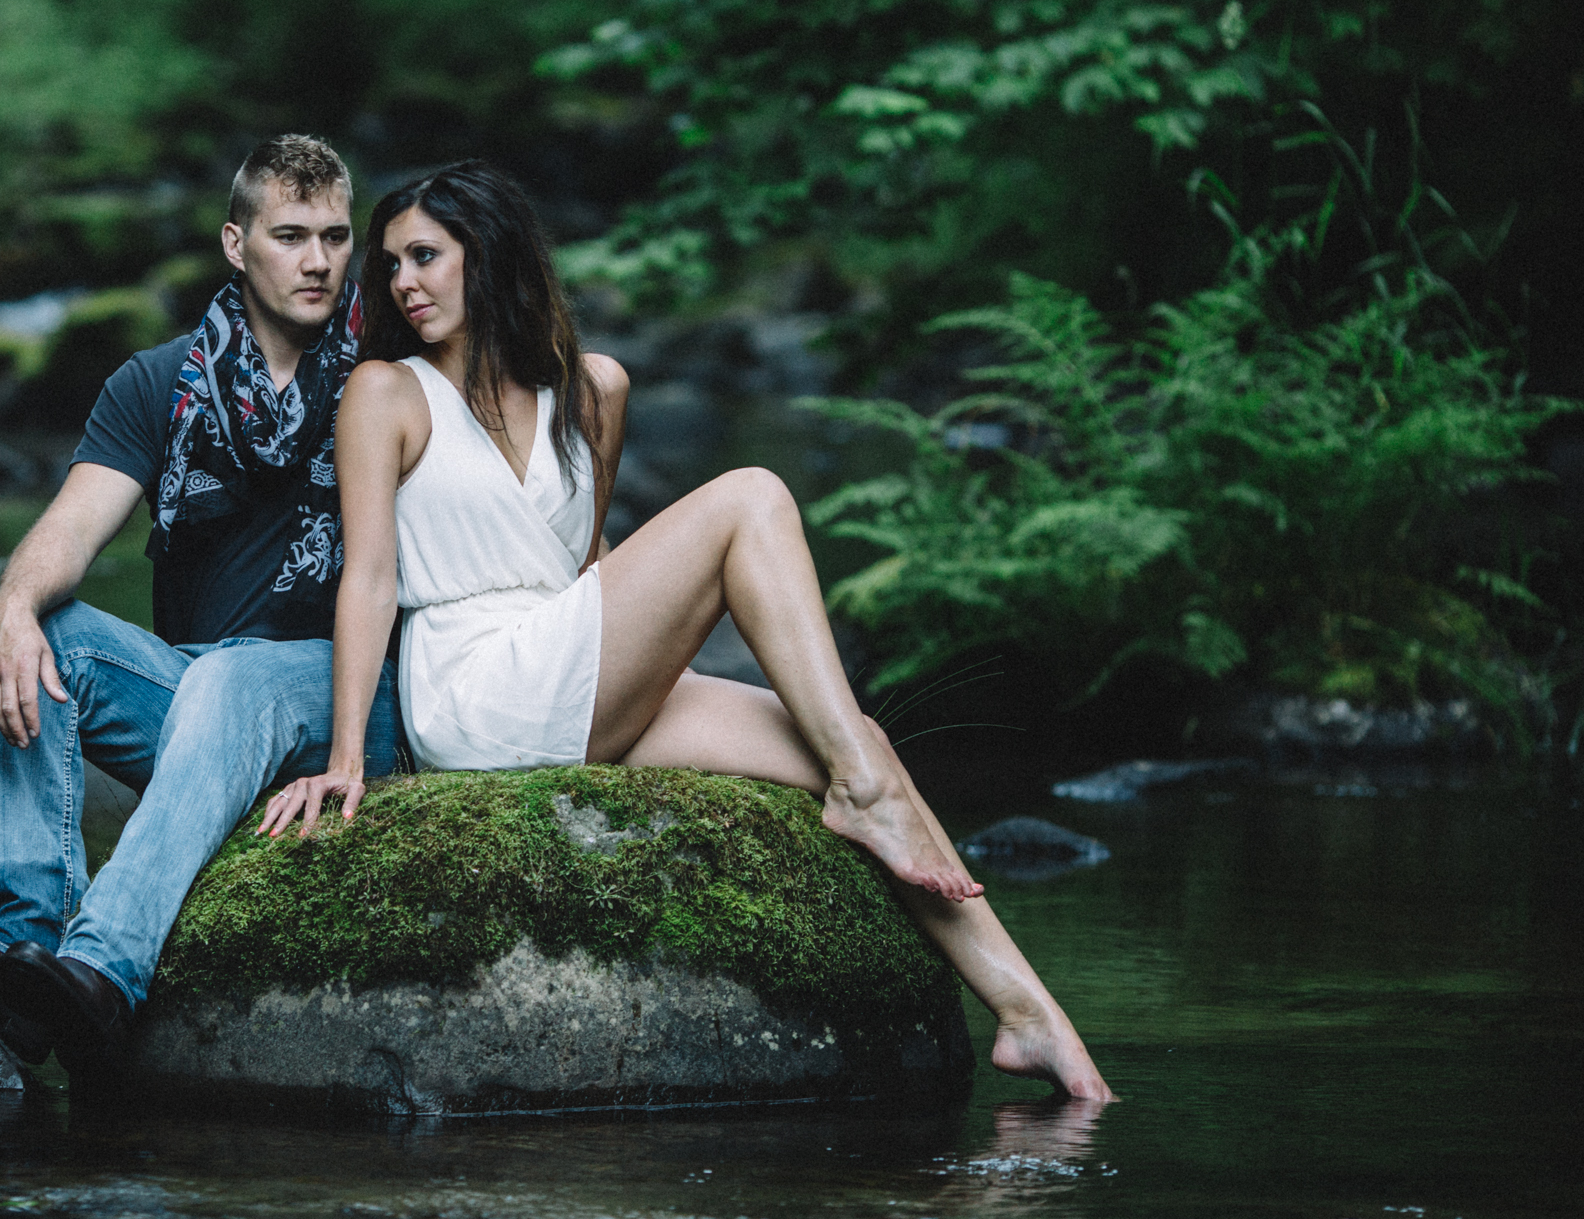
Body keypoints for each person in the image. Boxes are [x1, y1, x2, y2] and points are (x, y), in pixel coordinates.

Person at [260, 160, 1114, 1101]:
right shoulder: (386, 391)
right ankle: (869, 797)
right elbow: (370, 578)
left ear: (490, 255)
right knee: (752, 496)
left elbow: (583, 570)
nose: (401, 284)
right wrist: (349, 757)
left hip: (570, 667)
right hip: (475, 688)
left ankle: (1030, 1017)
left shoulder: (594, 390)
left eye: (425, 256)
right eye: (389, 266)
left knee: (852, 741)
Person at [0, 134, 403, 1078]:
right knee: (17, 631)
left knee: (235, 673)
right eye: (291, 236)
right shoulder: (159, 383)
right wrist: (10, 605)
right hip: (199, 699)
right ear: (235, 244)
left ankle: (99, 971)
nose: (320, 261)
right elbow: (73, 528)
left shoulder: (388, 372)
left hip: (349, 694)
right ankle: (20, 951)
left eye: (335, 237)